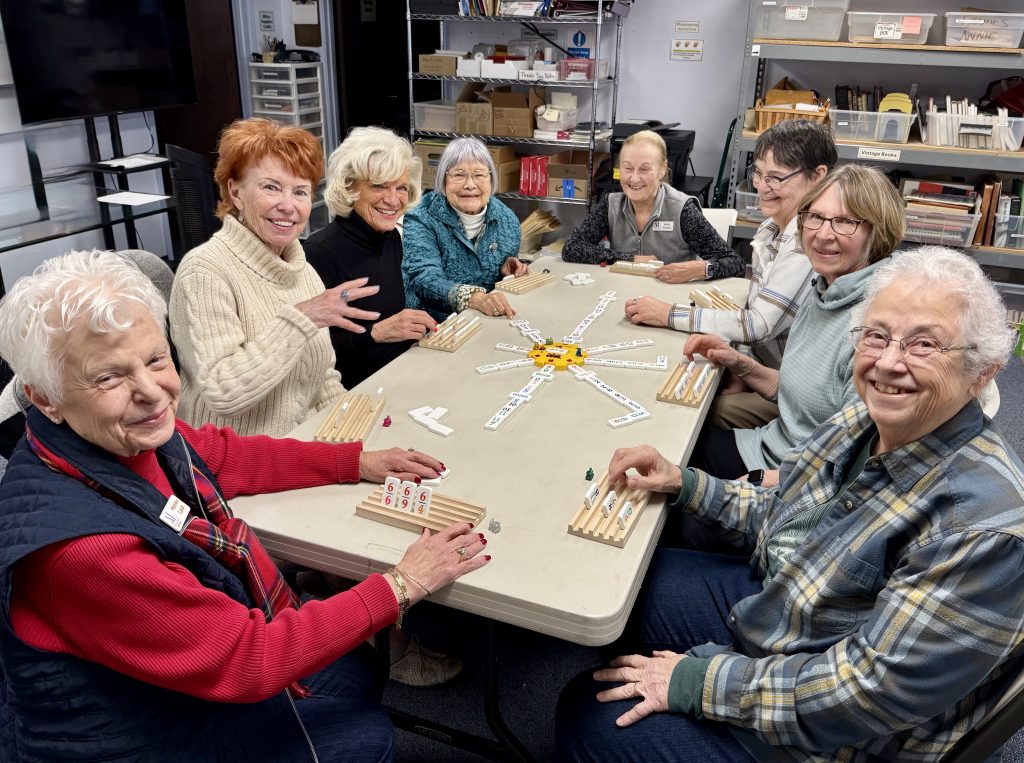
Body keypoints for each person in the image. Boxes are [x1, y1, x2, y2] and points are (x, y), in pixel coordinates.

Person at [0, 250, 490, 761]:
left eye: (156, 359)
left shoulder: (119, 438)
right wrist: (401, 584)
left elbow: (226, 455)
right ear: (46, 398)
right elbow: (246, 660)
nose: (153, 393)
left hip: (175, 682)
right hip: (142, 735)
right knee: (365, 737)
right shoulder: (81, 551)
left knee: (354, 669)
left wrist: (356, 461)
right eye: (108, 378)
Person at [557, 246, 1023, 762]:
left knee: (587, 714)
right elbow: (785, 512)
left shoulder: (980, 529)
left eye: (924, 345)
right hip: (794, 610)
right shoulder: (866, 421)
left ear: (983, 371)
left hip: (841, 733)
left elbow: (864, 693)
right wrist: (685, 485)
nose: (889, 362)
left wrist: (700, 682)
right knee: (624, 588)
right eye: (876, 335)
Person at [686, 164, 906, 486]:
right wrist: (741, 364)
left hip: (792, 482)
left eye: (845, 221)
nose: (823, 233)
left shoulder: (877, 325)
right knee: (676, 446)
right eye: (815, 217)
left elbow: (851, 464)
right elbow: (802, 395)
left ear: (878, 231)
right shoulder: (825, 289)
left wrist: (764, 482)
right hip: (771, 445)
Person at [170, 117, 378, 437]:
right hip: (234, 459)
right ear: (235, 192)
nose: (287, 206)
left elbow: (320, 378)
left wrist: (351, 426)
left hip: (301, 441)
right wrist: (302, 317)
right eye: (270, 187)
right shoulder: (204, 271)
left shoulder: (303, 271)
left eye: (300, 192)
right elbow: (224, 392)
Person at [627, 120, 837, 431]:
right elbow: (756, 316)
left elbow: (757, 324)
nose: (761, 187)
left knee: (689, 417)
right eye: (759, 174)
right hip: (768, 373)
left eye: (776, 178)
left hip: (793, 394)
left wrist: (668, 313)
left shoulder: (807, 241)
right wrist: (744, 369)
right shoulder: (771, 229)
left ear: (817, 176)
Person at [304, 126, 437, 389]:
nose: (393, 199)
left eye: (401, 187)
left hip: (398, 374)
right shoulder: (319, 253)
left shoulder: (391, 238)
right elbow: (308, 354)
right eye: (379, 186)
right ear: (349, 187)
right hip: (352, 394)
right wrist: (376, 333)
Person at [562, 129, 743, 285]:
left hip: (667, 302)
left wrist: (701, 269)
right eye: (627, 168)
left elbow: (735, 264)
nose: (634, 179)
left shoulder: (683, 211)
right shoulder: (611, 204)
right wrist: (631, 260)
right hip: (619, 294)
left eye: (644, 169)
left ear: (662, 169)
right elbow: (572, 248)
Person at [402, 137, 527, 322]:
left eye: (479, 174)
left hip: (484, 320)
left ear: (491, 178)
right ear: (443, 180)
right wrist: (473, 298)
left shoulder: (506, 219)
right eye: (459, 175)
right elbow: (424, 280)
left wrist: (505, 273)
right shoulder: (421, 218)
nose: (470, 184)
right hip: (432, 325)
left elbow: (495, 288)